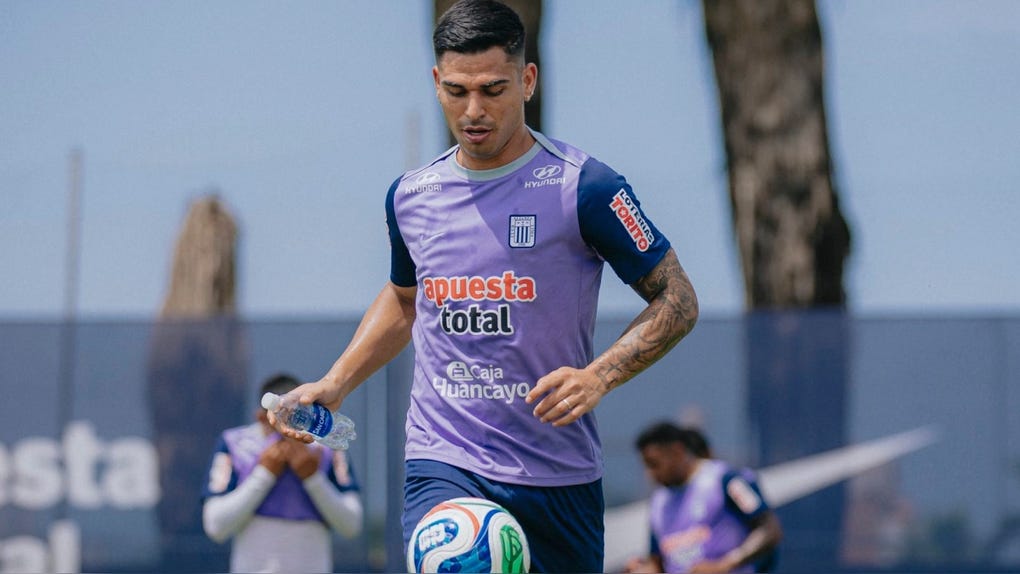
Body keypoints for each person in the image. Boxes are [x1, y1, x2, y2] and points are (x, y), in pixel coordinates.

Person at [269, 1, 699, 571]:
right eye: (456, 90)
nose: (473, 110)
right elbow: (405, 299)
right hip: (444, 460)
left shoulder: (585, 187)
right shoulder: (411, 197)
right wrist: (337, 381)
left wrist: (599, 376)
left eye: (493, 90)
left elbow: (678, 299)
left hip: (557, 477)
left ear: (527, 80)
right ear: (436, 82)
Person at [202, 373, 363, 573]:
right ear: (262, 418)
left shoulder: (327, 447)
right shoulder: (235, 444)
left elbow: (351, 525)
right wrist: (264, 473)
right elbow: (215, 526)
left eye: (297, 421)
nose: (289, 435)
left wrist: (313, 478)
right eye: (279, 425)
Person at [625, 422, 783, 574]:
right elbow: (658, 560)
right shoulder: (658, 503)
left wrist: (724, 564)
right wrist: (644, 569)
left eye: (654, 464)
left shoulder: (726, 480)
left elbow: (769, 530)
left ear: (677, 451)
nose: (650, 474)